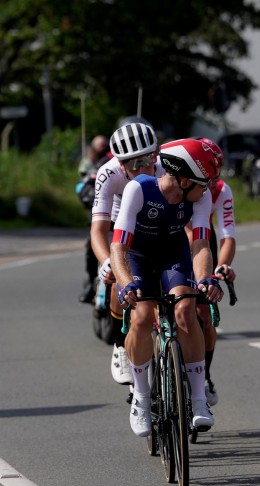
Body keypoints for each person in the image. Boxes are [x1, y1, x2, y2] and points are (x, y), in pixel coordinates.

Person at [110, 138, 223, 437]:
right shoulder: (139, 189)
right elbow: (118, 247)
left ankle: (198, 400)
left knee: (186, 310)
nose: (208, 188)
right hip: (137, 257)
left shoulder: (200, 197)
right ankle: (142, 398)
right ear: (184, 180)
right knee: (143, 316)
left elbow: (200, 243)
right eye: (204, 182)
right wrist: (125, 284)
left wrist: (204, 279)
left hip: (174, 254)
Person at [91, 121, 162, 388]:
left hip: (159, 222)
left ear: (155, 155)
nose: (143, 169)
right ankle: (121, 344)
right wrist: (107, 262)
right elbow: (98, 230)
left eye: (147, 161)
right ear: (121, 165)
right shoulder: (108, 174)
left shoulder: (166, 167)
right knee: (116, 275)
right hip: (122, 224)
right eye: (133, 164)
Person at [191, 138, 237, 407]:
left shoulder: (220, 191)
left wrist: (222, 265)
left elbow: (227, 235)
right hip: (174, 243)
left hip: (202, 244)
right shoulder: (179, 181)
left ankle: (204, 375)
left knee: (205, 318)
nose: (209, 182)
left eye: (214, 175)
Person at [77, 135, 111, 304]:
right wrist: (89, 196)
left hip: (128, 220)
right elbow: (84, 184)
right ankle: (91, 282)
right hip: (103, 215)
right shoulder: (96, 164)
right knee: (92, 245)